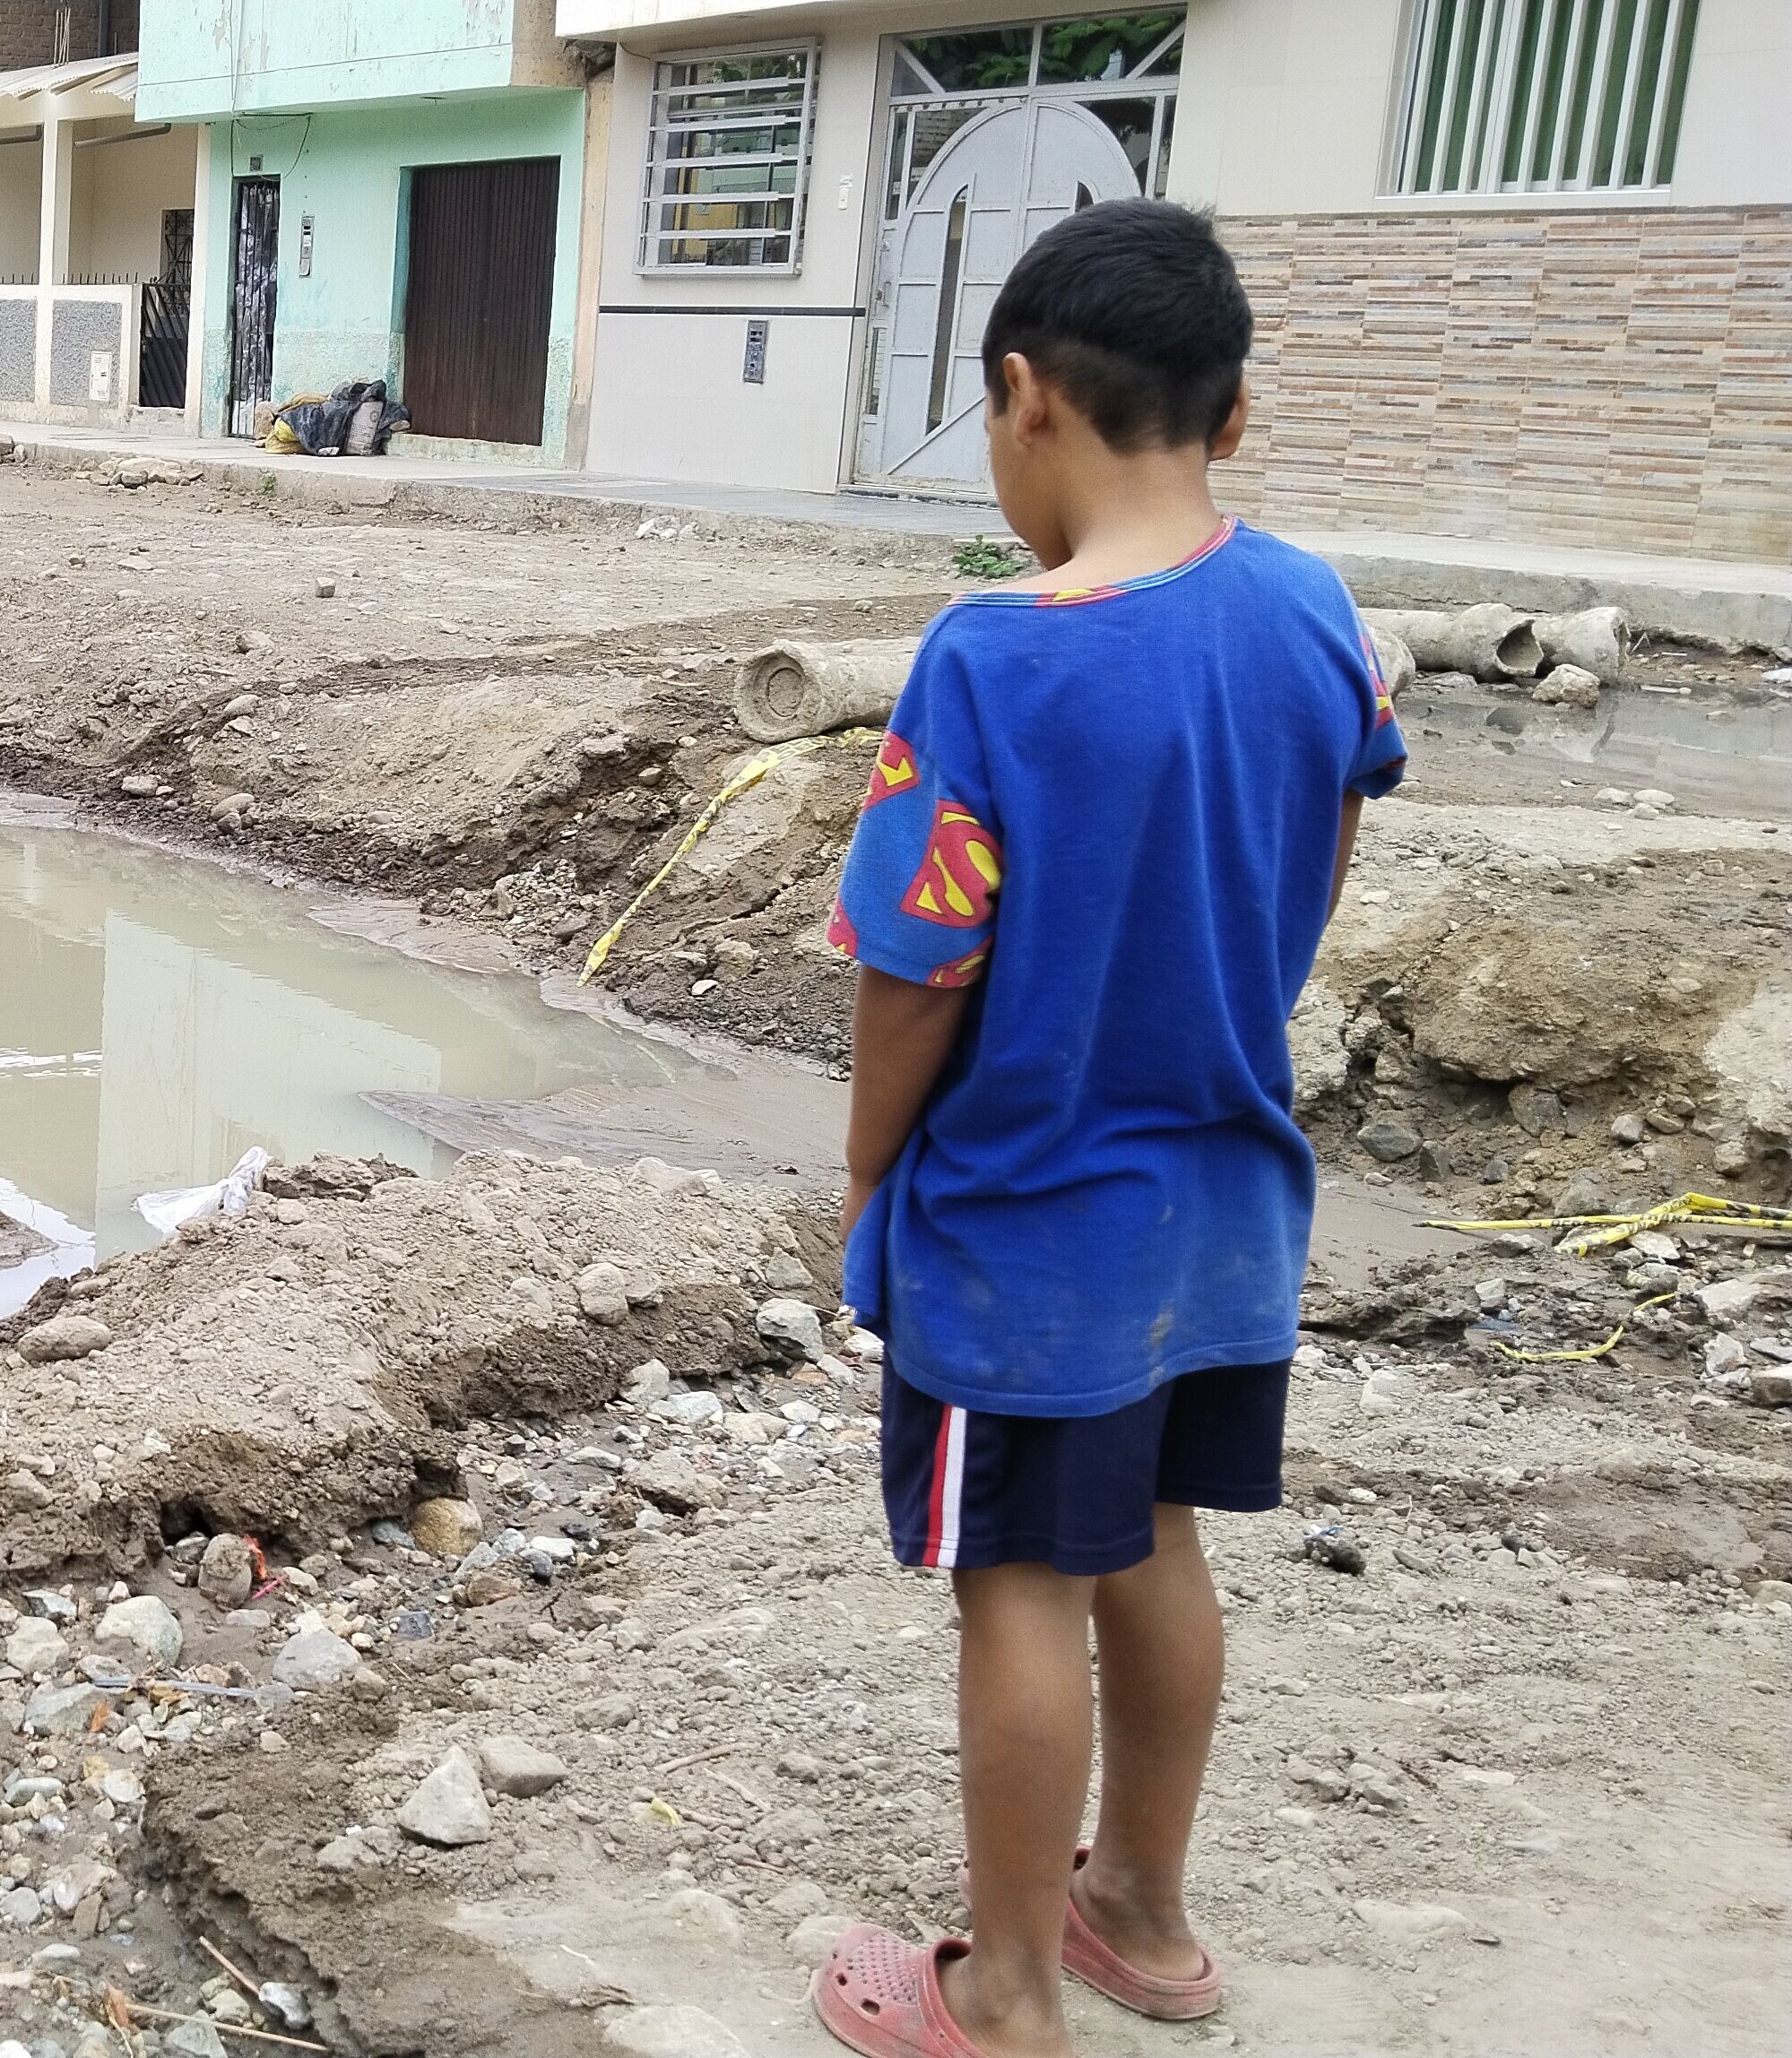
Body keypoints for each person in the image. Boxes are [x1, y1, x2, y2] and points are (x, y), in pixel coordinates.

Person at [809, 197, 1405, 2058]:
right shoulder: (1315, 607)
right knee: (1156, 1535)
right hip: (1227, 1202)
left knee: (1017, 1580)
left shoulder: (996, 657)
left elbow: (916, 966)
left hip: (1031, 1218)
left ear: (1021, 397)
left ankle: (1007, 1994)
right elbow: (1332, 827)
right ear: (1228, 418)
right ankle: (1141, 1906)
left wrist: (864, 1161)